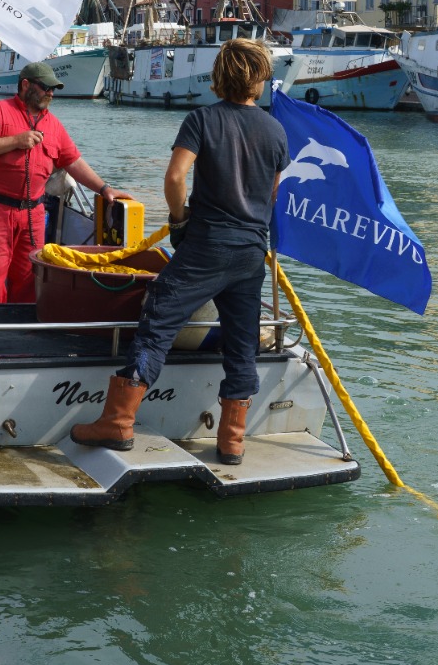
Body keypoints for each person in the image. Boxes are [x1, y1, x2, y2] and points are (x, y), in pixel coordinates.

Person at [72, 38, 287, 466]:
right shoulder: (276, 130)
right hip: (250, 252)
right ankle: (232, 441)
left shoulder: (202, 119)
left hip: (206, 245)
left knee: (158, 321)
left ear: (219, 77)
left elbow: (175, 178)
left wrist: (179, 220)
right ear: (258, 80)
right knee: (242, 343)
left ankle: (118, 423)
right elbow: (273, 194)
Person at [0, 61, 123, 303]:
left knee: (30, 279)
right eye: (46, 87)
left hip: (34, 214)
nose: (51, 93)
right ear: (26, 85)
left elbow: (74, 162)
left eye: (53, 89)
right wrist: (16, 141)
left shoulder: (54, 125)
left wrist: (105, 189)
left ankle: (22, 335)